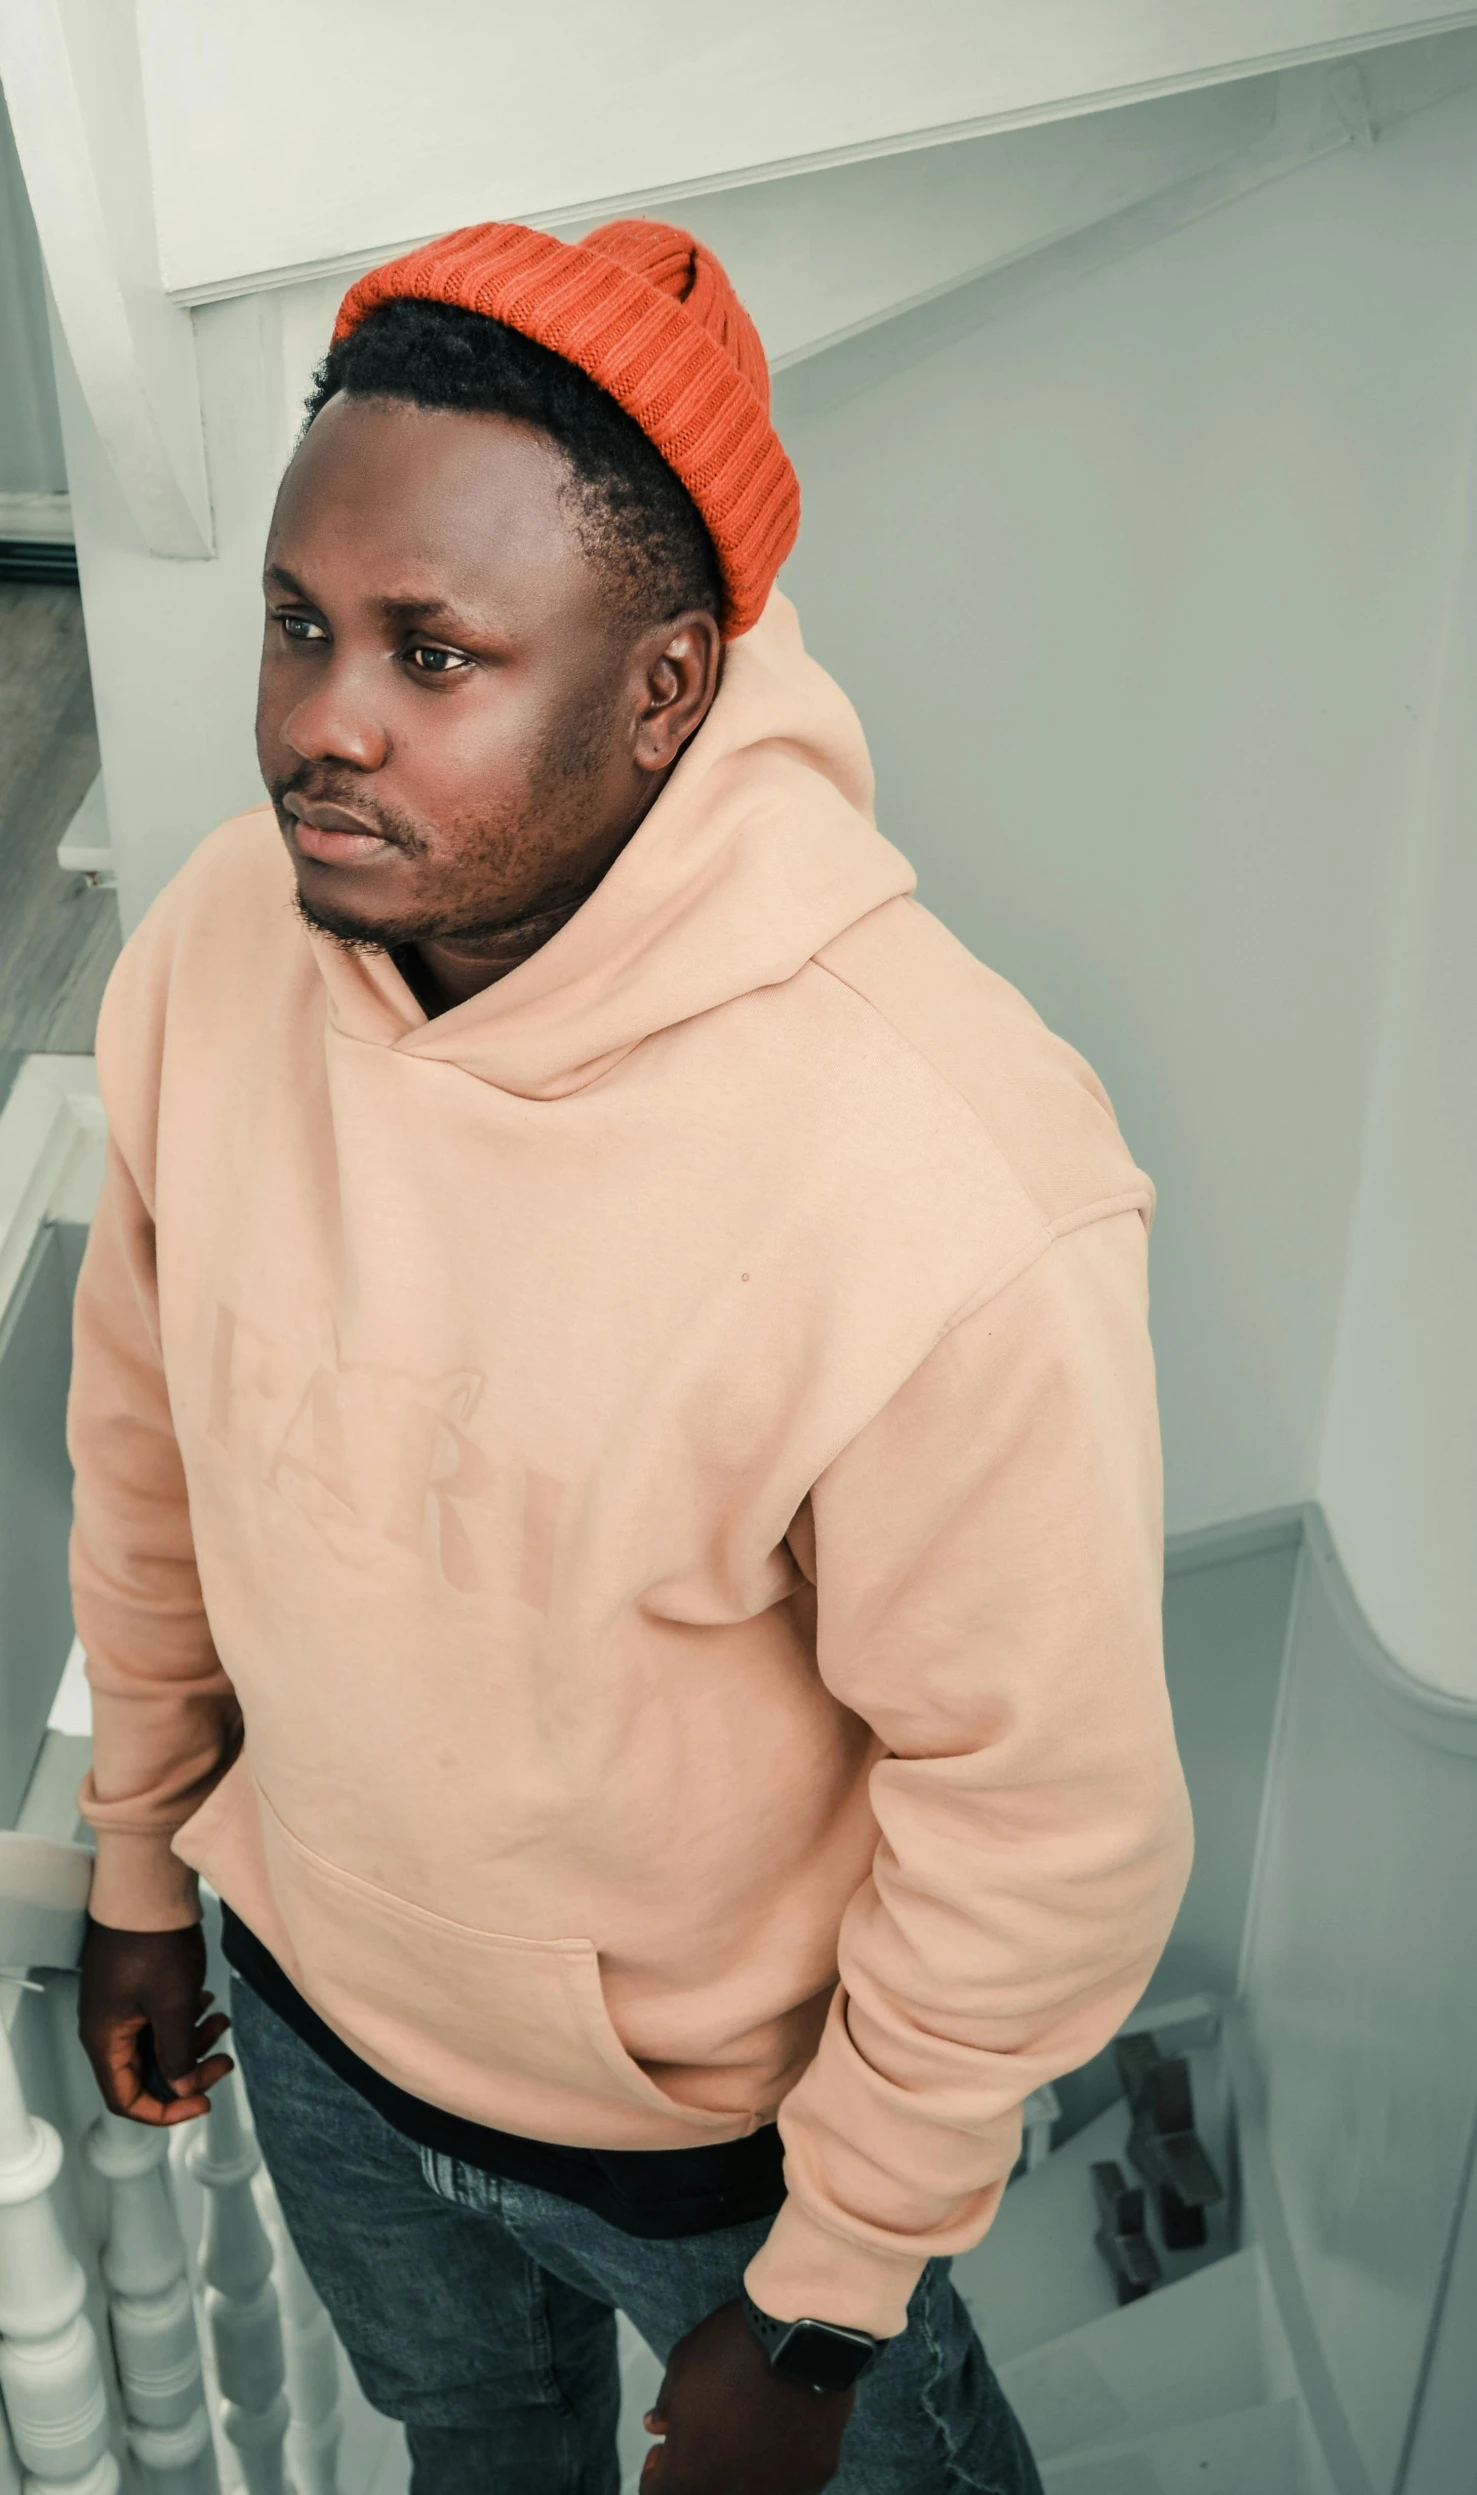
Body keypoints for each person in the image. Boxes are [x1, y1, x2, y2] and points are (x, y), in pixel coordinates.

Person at [70, 217, 1193, 2495]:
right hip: (317, 2038)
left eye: (433, 652)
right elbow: (144, 1447)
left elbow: (1037, 1821)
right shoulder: (213, 945)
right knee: (472, 2452)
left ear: (665, 690)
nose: (320, 720)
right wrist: (136, 1856)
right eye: (299, 624)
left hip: (723, 2179)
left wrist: (827, 2293)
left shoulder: (947, 1178)